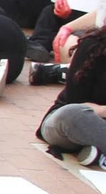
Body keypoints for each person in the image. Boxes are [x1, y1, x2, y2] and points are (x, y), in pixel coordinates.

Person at [35, 22, 106, 166]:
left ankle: (96, 151)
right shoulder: (93, 45)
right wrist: (103, 110)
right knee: (72, 115)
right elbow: (76, 102)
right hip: (72, 121)